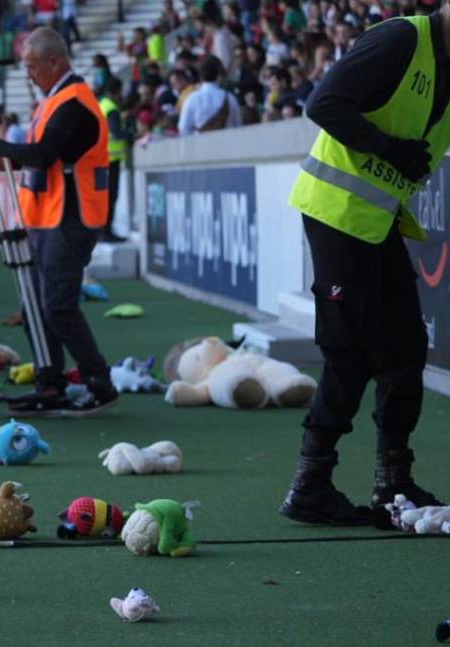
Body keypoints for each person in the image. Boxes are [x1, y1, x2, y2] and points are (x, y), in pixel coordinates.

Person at [281, 8, 449, 526]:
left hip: (377, 222)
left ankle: (393, 484)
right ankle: (310, 485)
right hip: (336, 214)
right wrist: (389, 149)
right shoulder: (401, 38)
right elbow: (323, 103)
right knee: (348, 351)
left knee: (404, 349)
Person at [0, 27, 118, 417]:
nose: (28, 75)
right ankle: (50, 385)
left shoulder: (72, 102)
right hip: (49, 217)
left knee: (56, 306)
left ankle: (99, 383)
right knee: (36, 305)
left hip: (71, 219)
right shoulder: (55, 100)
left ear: (55, 61)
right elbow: (43, 156)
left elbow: (44, 154)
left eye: (32, 66)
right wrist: (3, 161)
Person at [97, 77, 129, 242]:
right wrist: (133, 135)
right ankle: (107, 232)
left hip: (101, 158)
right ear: (118, 91)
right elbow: (116, 133)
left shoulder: (101, 105)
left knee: (104, 197)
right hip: (111, 158)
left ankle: (103, 231)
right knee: (111, 196)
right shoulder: (112, 109)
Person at [179, 58, 241, 135]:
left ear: (201, 77)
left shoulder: (192, 98)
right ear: (218, 75)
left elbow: (183, 129)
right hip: (226, 143)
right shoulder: (230, 97)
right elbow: (238, 126)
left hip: (201, 144)